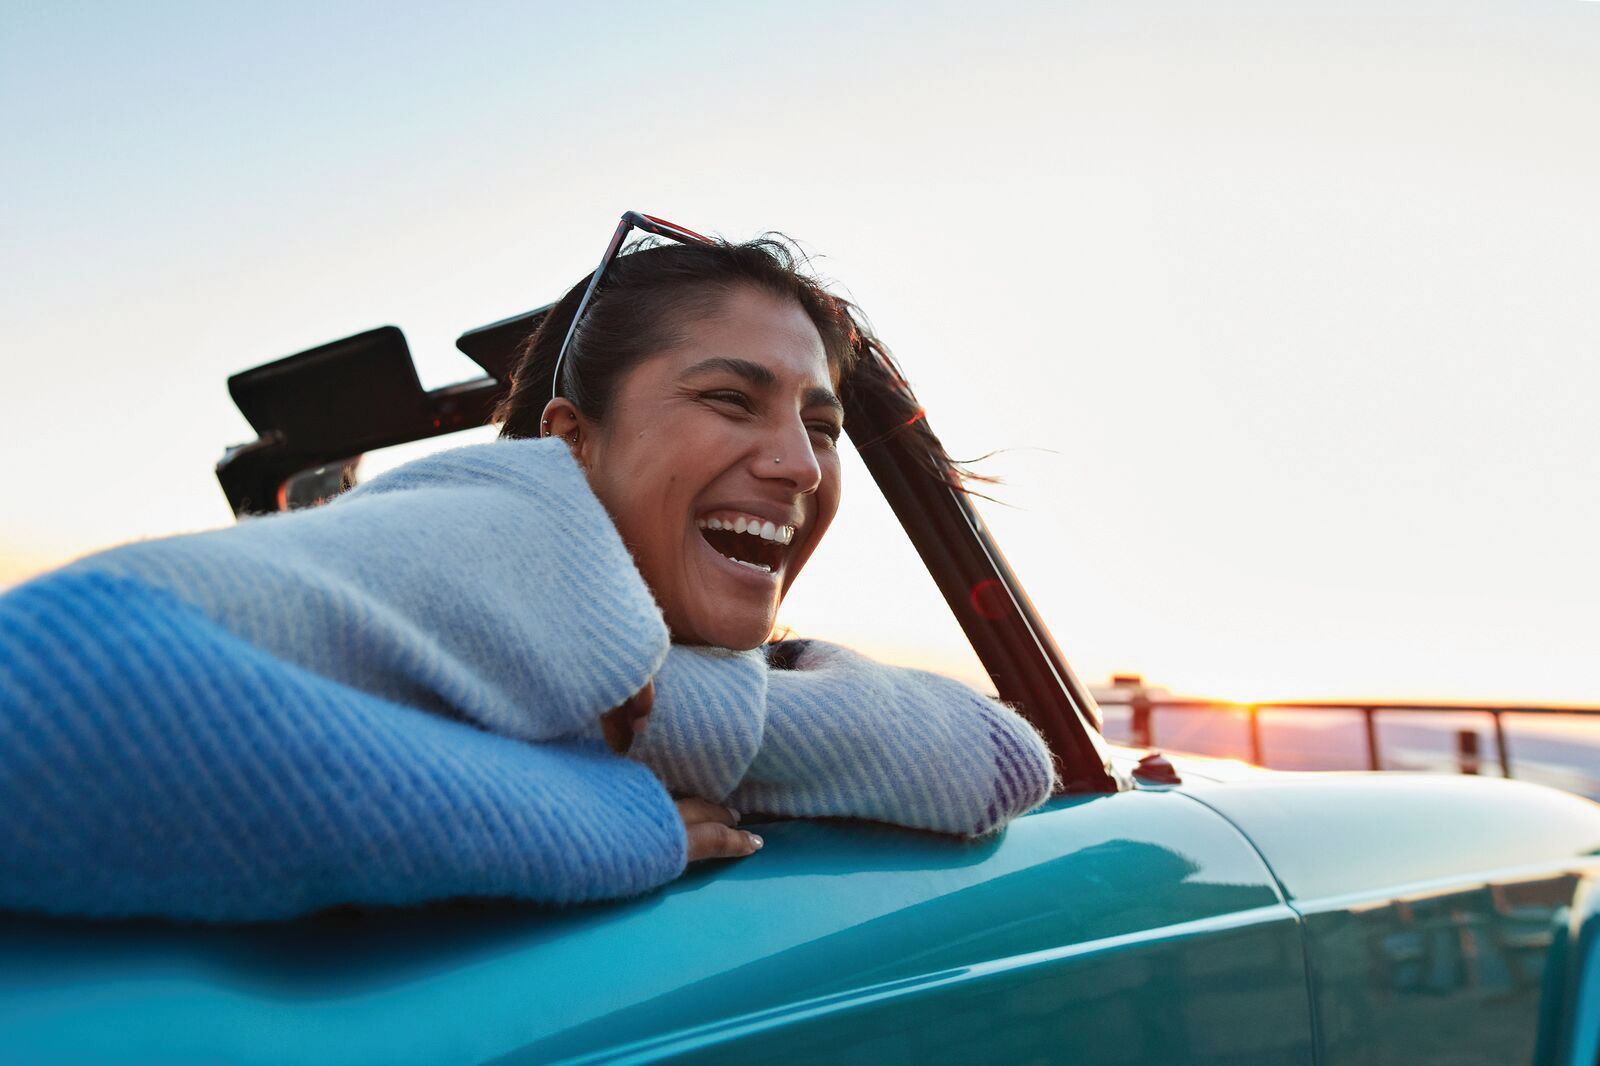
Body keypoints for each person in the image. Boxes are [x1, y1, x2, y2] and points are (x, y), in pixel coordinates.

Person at [0, 216, 1055, 922]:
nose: (795, 463)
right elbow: (47, 694)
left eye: (820, 425)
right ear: (572, 439)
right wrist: (599, 817)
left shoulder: (628, 660)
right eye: (729, 400)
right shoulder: (502, 530)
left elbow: (992, 763)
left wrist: (724, 706)